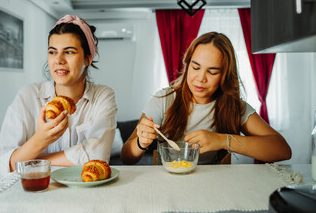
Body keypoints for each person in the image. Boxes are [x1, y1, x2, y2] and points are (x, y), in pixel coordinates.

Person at [121, 32, 291, 165]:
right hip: (167, 185)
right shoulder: (163, 100)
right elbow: (127, 158)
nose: (201, 78)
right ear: (187, 66)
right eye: (196, 67)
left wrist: (222, 140)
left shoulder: (234, 107)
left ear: (224, 75)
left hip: (214, 187)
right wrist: (140, 143)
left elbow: (282, 150)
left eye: (212, 71)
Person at [0, 15, 117, 179]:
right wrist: (40, 140)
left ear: (88, 58)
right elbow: (0, 165)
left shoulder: (103, 96)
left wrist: (32, 161)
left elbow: (97, 156)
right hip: (36, 193)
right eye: (52, 52)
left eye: (69, 52)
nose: (58, 60)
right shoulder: (27, 96)